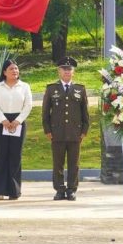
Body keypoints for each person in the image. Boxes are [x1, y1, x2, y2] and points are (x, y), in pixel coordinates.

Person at [42, 56, 89, 200]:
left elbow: (85, 113)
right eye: (64, 69)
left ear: (73, 72)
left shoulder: (80, 89)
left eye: (69, 69)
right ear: (59, 71)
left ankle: (71, 190)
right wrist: (47, 130)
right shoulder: (51, 89)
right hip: (57, 132)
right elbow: (45, 112)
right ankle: (59, 190)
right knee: (58, 163)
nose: (67, 71)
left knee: (74, 164)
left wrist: (84, 131)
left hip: (75, 133)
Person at [0, 58, 32, 200]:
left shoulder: (24, 86)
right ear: (4, 72)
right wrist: (3, 120)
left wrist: (18, 121)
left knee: (15, 156)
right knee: (1, 155)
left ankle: (14, 191)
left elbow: (28, 105)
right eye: (11, 69)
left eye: (16, 68)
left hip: (18, 122)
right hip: (1, 122)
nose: (15, 71)